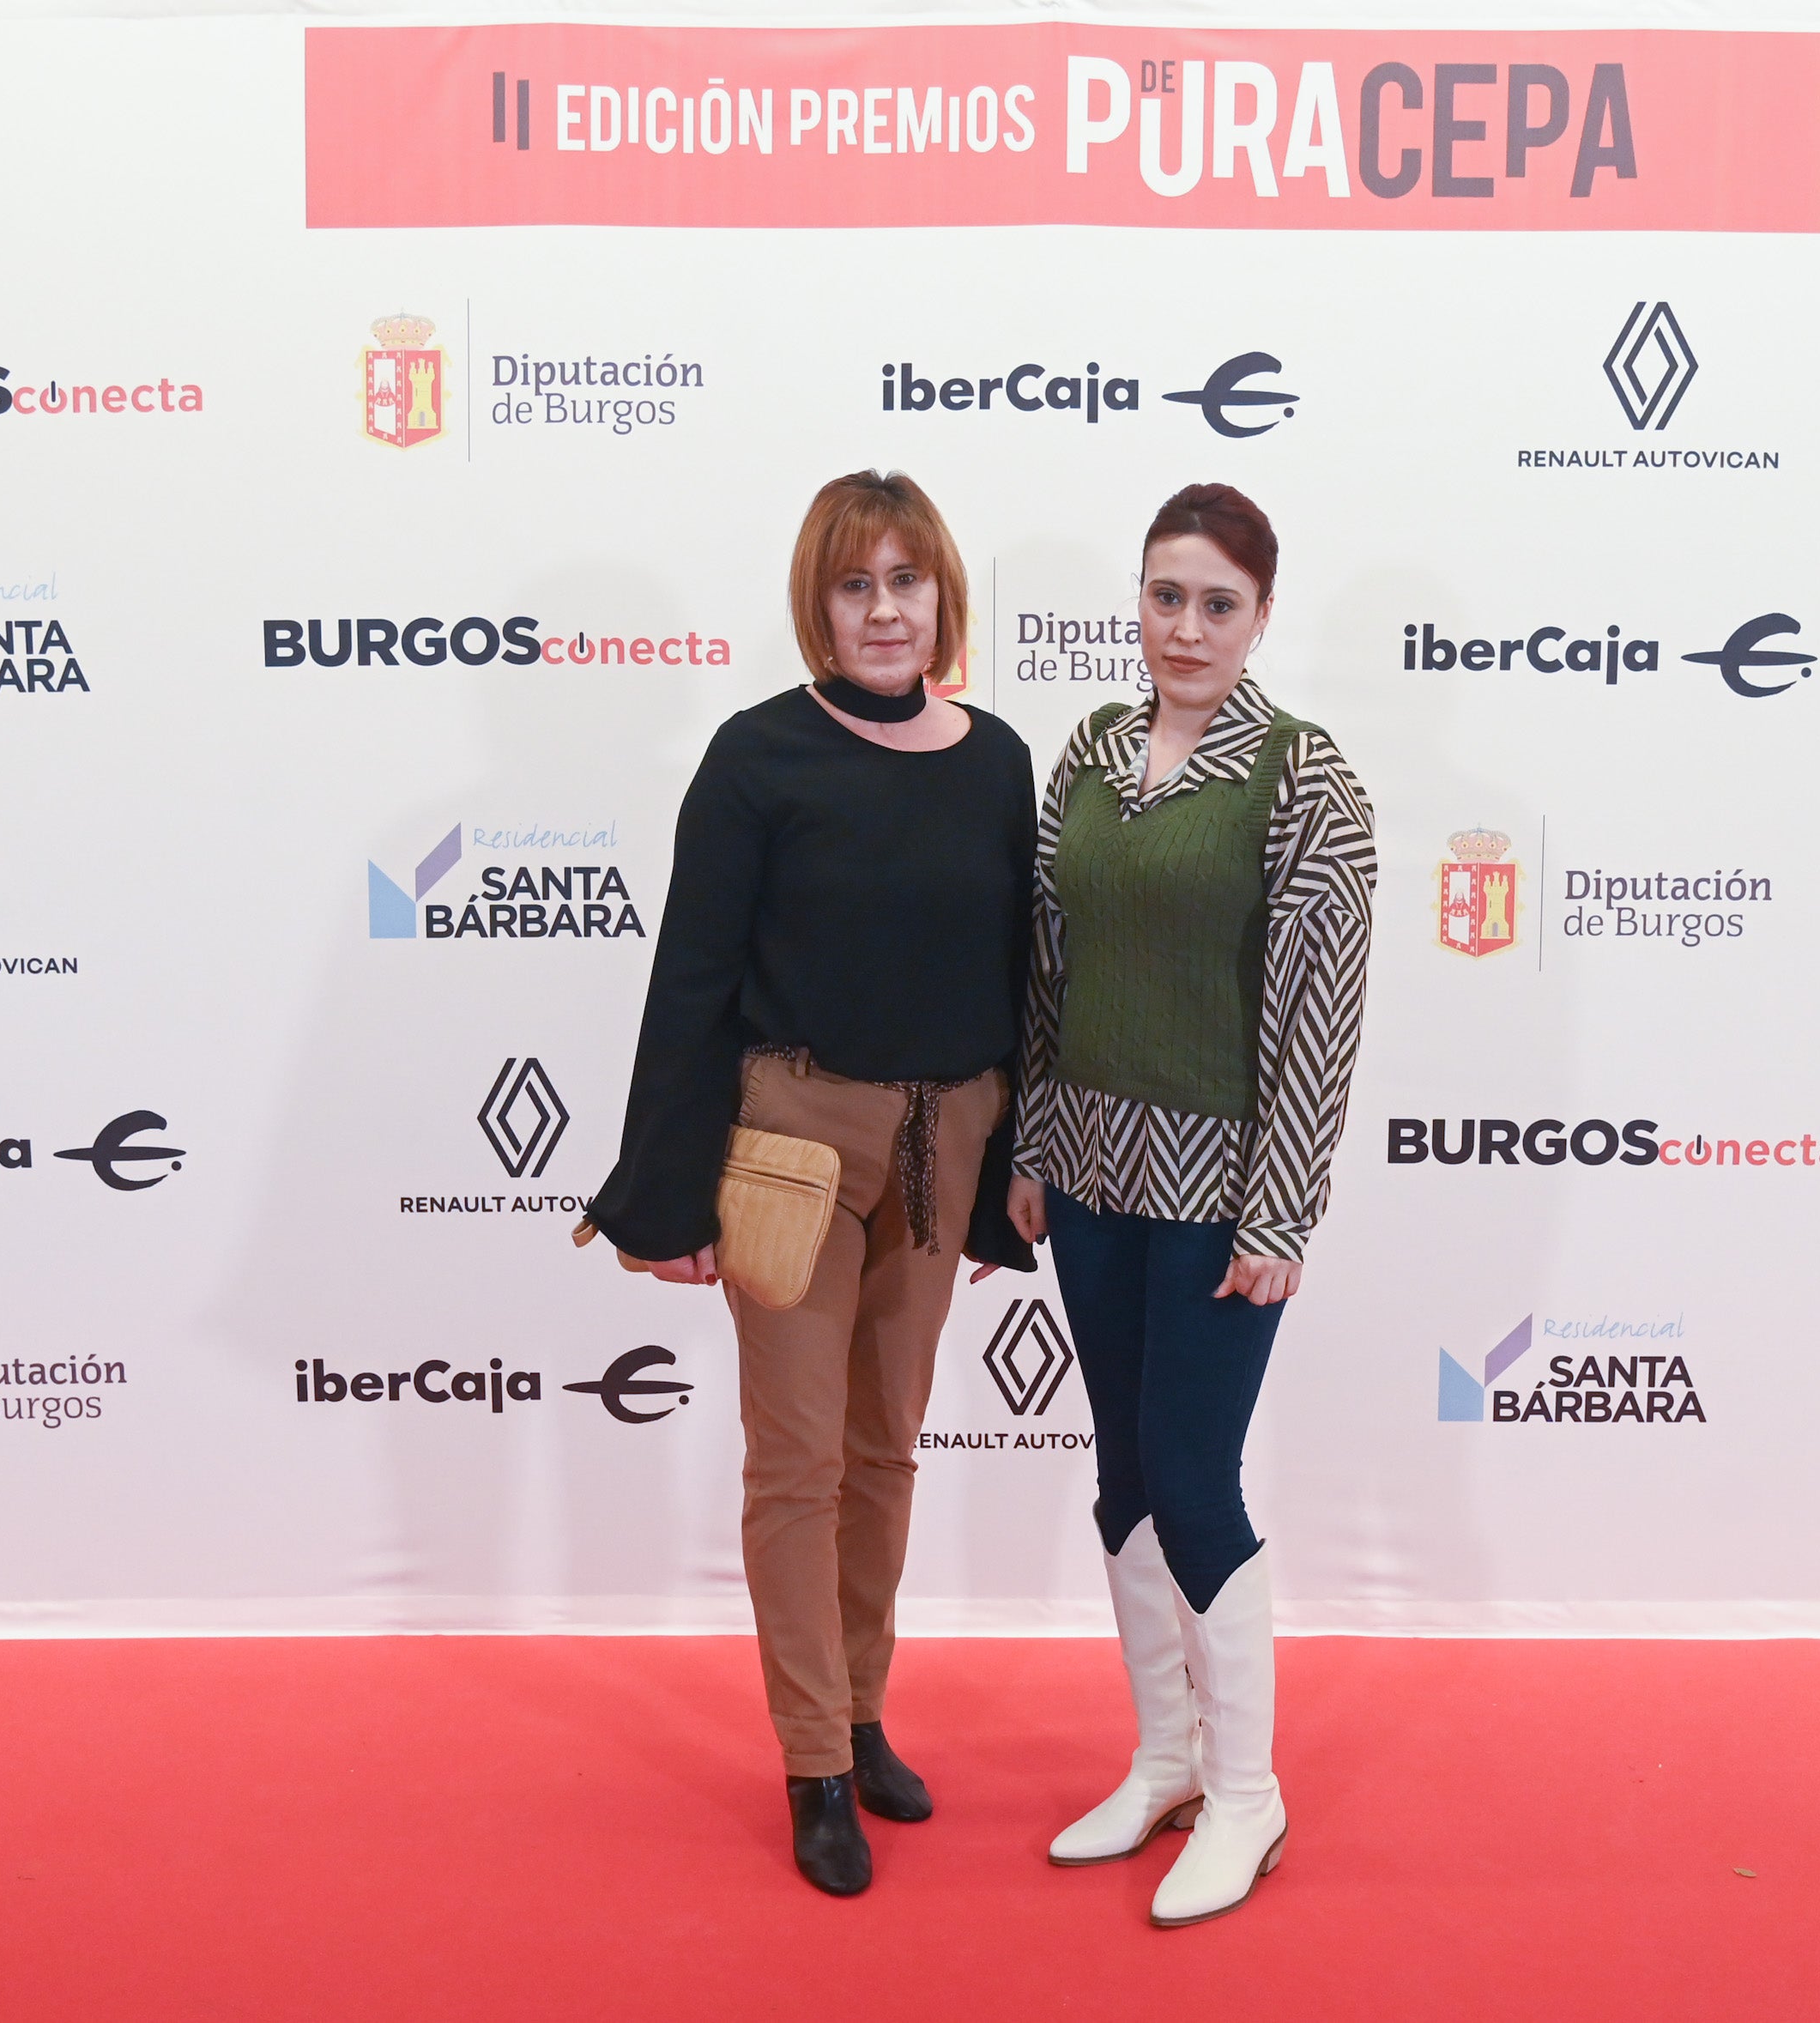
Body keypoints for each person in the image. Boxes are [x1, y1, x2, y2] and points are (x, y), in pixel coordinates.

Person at [586, 470, 1036, 1899]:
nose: (885, 609)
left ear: (941, 596)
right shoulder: (754, 757)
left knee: (886, 1451)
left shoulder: (1001, 758)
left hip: (944, 1142)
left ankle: (862, 1711)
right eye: (857, 585)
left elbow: (1022, 985)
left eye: (907, 581)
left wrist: (999, 1182)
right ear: (818, 603)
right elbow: (691, 984)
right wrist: (661, 1201)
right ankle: (813, 1765)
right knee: (796, 1460)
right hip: (790, 1140)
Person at [1007, 483, 1376, 1927]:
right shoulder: (1093, 749)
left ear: (1263, 615)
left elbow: (1318, 1018)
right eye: (1166, 596)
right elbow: (1047, 966)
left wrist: (1280, 1213)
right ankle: (1165, 1759)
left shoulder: (1306, 777)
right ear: (1138, 600)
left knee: (1193, 1473)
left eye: (1218, 603)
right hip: (1089, 1178)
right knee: (1121, 1471)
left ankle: (1249, 1793)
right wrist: (1033, 1146)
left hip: (1223, 1196)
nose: (1187, 627)